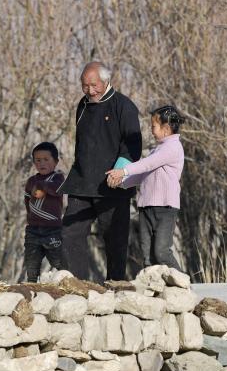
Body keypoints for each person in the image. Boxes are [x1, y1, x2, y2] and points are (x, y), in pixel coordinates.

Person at [59, 61, 142, 281]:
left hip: (112, 183)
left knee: (115, 240)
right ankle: (75, 285)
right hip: (82, 182)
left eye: (94, 85)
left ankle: (115, 285)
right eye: (85, 86)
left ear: (106, 81)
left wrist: (120, 171)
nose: (90, 90)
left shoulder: (124, 106)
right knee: (69, 233)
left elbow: (133, 144)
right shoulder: (82, 105)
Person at [105, 105, 186, 273]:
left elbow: (148, 164)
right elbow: (144, 173)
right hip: (146, 206)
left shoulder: (173, 147)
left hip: (165, 208)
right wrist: (122, 182)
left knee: (161, 252)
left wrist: (123, 171)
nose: (151, 130)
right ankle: (154, 286)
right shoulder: (158, 148)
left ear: (166, 129)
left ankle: (182, 282)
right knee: (147, 255)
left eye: (153, 126)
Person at [22, 142, 66, 282]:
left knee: (59, 261)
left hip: (53, 230)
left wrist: (41, 185)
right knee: (31, 262)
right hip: (33, 230)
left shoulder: (58, 178)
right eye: (38, 160)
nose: (42, 163)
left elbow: (57, 190)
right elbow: (27, 200)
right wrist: (30, 217)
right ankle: (32, 286)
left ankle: (68, 283)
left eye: (46, 159)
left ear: (56, 162)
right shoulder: (31, 181)